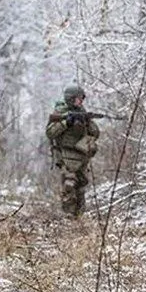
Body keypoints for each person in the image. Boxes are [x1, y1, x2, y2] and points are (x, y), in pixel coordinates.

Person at [45, 85, 99, 217]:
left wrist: (87, 122)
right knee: (69, 184)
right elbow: (50, 133)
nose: (80, 102)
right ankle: (68, 215)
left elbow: (96, 133)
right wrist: (66, 123)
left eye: (81, 99)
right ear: (70, 99)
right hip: (65, 155)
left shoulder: (82, 112)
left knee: (80, 185)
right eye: (78, 99)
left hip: (81, 156)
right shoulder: (60, 112)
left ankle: (79, 217)